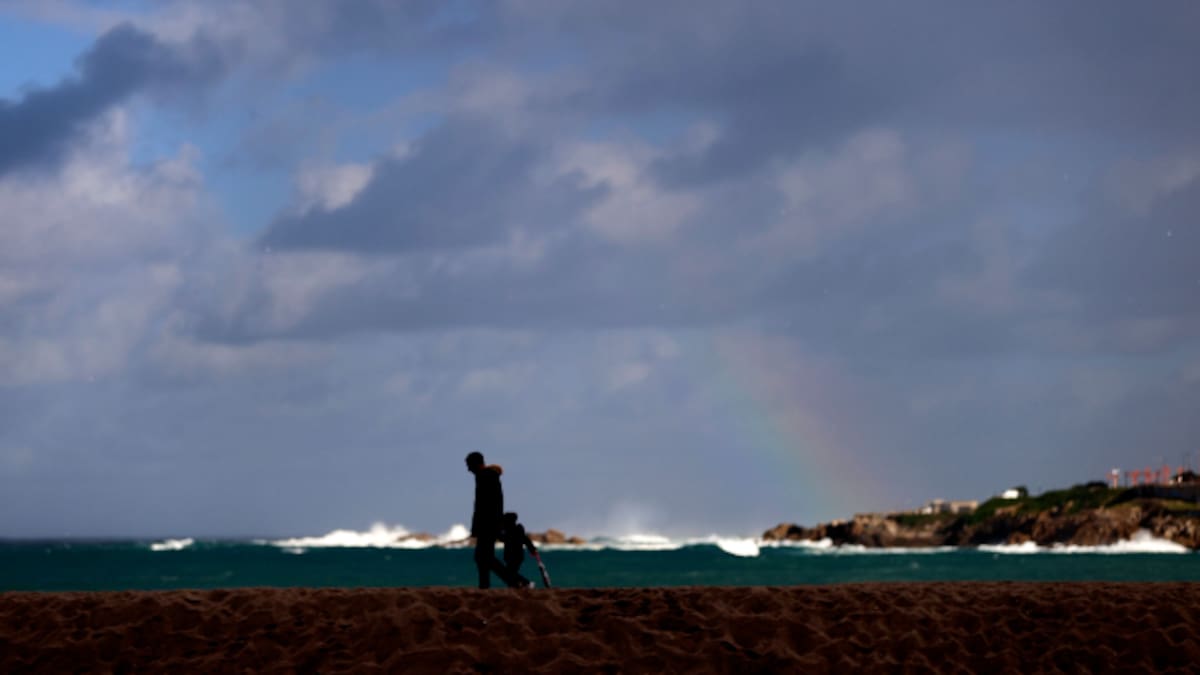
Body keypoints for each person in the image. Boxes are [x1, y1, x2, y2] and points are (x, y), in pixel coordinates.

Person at [465, 451, 519, 589]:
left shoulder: (485, 477)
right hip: (488, 524)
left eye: (469, 465)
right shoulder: (485, 476)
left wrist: (492, 526)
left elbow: (487, 505)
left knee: (484, 558)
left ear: (476, 464)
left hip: (488, 525)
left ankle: (517, 582)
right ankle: (485, 586)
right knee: (483, 558)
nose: (468, 469)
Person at [499, 512, 538, 589]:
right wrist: (532, 550)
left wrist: (532, 550)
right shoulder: (514, 529)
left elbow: (503, 538)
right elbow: (526, 540)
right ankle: (518, 585)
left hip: (516, 556)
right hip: (513, 556)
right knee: (510, 573)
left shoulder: (513, 530)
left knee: (510, 573)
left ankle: (527, 583)